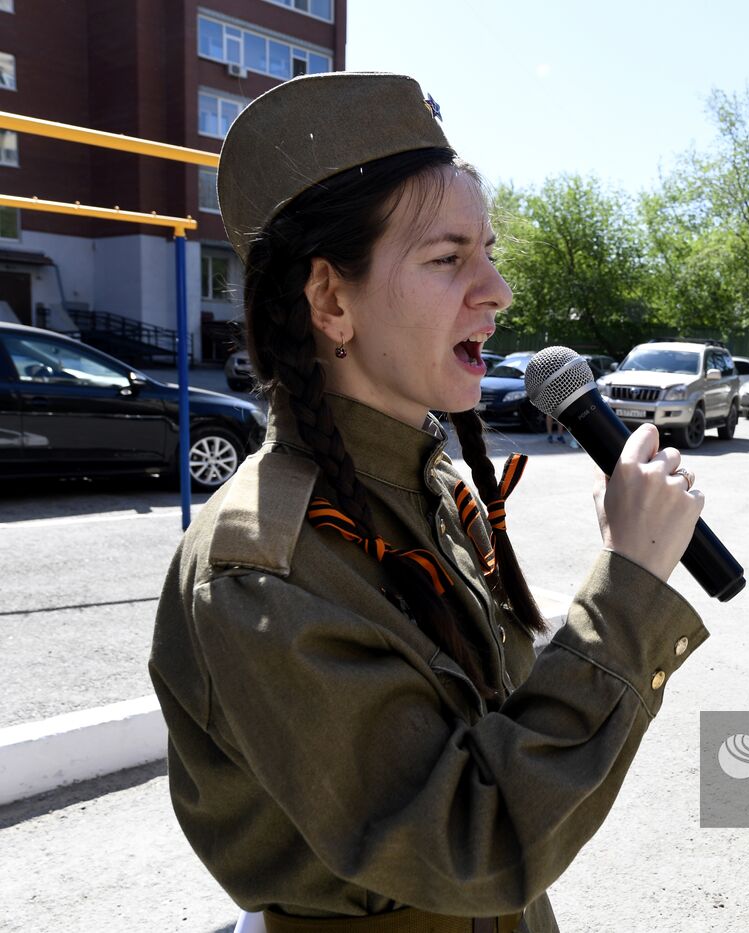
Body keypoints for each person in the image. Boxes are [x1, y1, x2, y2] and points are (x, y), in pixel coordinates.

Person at [149, 72, 708, 933]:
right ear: (332, 300)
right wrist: (627, 591)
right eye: (448, 259)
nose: (498, 291)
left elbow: (492, 713)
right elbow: (467, 839)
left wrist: (589, 599)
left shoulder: (429, 483)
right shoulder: (258, 566)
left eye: (488, 251)